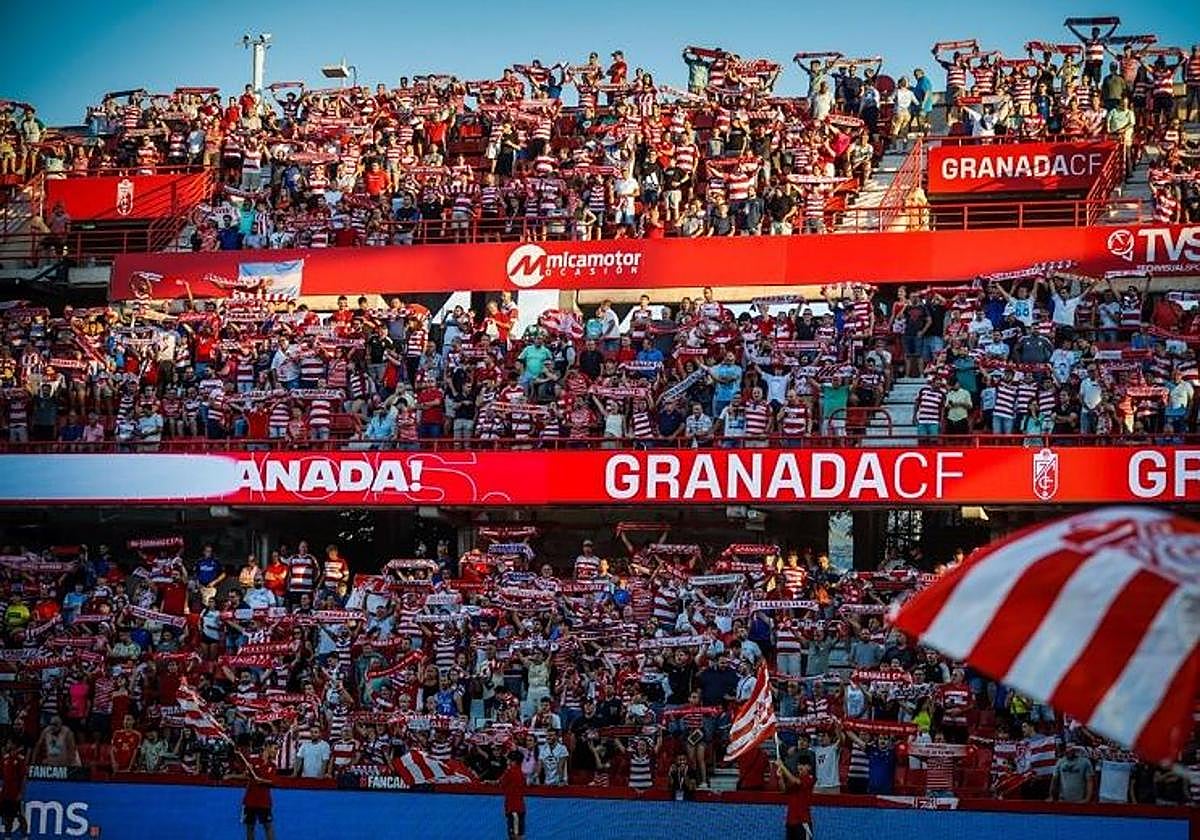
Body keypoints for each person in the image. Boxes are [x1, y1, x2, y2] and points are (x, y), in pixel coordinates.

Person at [236, 743, 277, 840]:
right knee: (250, 827)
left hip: (264, 802)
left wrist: (261, 780)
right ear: (267, 748)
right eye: (274, 748)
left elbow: (273, 781)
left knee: (268, 826)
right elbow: (245, 775)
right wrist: (247, 771)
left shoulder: (273, 766)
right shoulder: (253, 761)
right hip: (250, 800)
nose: (276, 751)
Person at [777, 758, 816, 840]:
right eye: (799, 764)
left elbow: (796, 782)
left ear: (809, 767)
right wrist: (780, 777)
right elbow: (784, 789)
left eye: (803, 765)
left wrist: (782, 767)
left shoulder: (809, 779)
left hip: (802, 821)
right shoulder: (794, 779)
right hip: (790, 821)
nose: (800, 767)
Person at [0, 739, 28, 840]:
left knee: (21, 816)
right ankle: (7, 837)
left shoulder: (20, 759)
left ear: (13, 745)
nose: (7, 745)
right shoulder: (4, 758)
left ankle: (25, 836)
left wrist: (21, 793)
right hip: (5, 794)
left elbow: (24, 777)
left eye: (9, 743)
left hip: (15, 794)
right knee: (7, 817)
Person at [499, 749, 527, 840]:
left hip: (513, 809)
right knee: (518, 834)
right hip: (519, 808)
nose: (507, 762)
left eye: (508, 760)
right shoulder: (522, 774)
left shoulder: (510, 772)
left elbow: (501, 783)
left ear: (513, 761)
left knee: (515, 836)